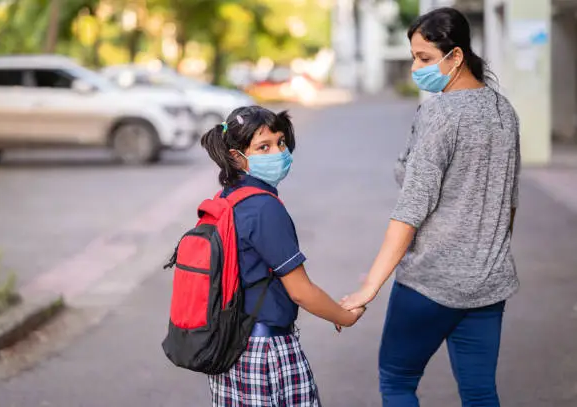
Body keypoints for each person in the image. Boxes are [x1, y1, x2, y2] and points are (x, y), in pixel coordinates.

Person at [341, 7, 520, 407]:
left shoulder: (441, 113)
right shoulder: (504, 112)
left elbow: (410, 211)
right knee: (479, 392)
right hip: (489, 282)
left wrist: (369, 287)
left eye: (424, 58)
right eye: (413, 57)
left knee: (398, 380)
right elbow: (508, 205)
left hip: (430, 283)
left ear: (455, 56)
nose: (415, 67)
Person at [201, 105, 365, 407]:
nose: (278, 152)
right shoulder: (264, 208)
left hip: (231, 348)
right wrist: (345, 316)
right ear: (238, 157)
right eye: (263, 147)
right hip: (267, 352)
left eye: (279, 142)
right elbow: (301, 291)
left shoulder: (227, 198)